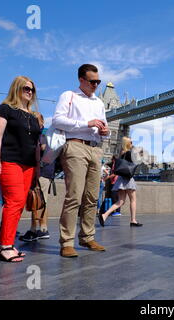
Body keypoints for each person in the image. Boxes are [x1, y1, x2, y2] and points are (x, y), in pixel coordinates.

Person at [52, 64, 109, 258]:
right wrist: (86, 123)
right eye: (92, 81)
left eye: (98, 82)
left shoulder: (99, 103)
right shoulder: (69, 96)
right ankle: (67, 242)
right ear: (81, 80)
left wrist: (105, 132)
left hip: (95, 148)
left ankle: (87, 236)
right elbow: (57, 121)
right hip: (75, 146)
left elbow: (105, 130)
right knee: (74, 195)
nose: (96, 85)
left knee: (92, 197)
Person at [0, 76, 42, 262]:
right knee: (14, 201)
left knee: (19, 205)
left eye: (32, 90)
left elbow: (36, 144)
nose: (29, 92)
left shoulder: (33, 116)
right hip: (10, 161)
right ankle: (4, 246)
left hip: (29, 165)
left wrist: (37, 168)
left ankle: (8, 243)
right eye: (26, 88)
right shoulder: (5, 109)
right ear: (16, 89)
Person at [19, 123, 56, 242]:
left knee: (37, 201)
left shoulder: (41, 134)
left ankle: (34, 230)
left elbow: (42, 149)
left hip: (41, 172)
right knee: (42, 201)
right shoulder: (47, 133)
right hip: (47, 172)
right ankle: (43, 229)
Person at [99, 137, 142, 227]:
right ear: (128, 143)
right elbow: (138, 160)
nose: (132, 142)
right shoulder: (130, 153)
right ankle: (133, 220)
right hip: (128, 178)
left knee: (120, 201)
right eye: (131, 141)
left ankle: (105, 215)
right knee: (133, 200)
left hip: (121, 179)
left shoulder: (121, 154)